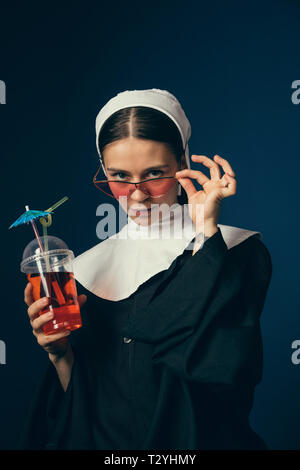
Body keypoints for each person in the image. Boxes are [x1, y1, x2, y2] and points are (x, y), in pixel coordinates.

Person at [20, 88, 272, 450]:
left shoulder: (237, 252)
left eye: (155, 174)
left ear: (182, 163)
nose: (137, 195)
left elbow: (221, 371)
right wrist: (60, 354)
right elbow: (85, 407)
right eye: (119, 176)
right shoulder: (84, 271)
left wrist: (205, 234)